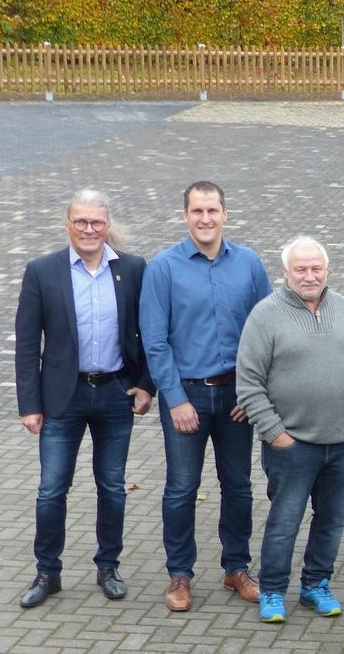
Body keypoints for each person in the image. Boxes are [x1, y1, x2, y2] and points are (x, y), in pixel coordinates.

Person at [14, 190, 155, 608]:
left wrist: (147, 384)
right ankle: (47, 573)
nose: (89, 230)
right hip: (63, 396)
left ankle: (108, 566)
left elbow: (149, 331)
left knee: (112, 487)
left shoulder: (131, 269)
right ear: (68, 225)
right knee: (51, 490)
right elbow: (26, 343)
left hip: (115, 393)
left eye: (96, 223)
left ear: (107, 225)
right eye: (81, 222)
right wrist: (29, 404)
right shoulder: (42, 271)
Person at [141, 181, 272, 612]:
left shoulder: (249, 264)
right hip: (187, 396)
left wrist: (253, 391)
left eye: (212, 210)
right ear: (185, 216)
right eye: (197, 211)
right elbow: (155, 342)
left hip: (236, 395)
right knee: (181, 488)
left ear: (225, 214)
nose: (205, 219)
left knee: (238, 486)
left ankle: (236, 568)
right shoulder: (163, 268)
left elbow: (264, 331)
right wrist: (175, 399)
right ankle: (180, 575)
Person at [236, 237, 344, 623]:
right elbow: (248, 382)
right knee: (284, 522)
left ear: (327, 270)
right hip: (292, 445)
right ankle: (274, 591)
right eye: (301, 269)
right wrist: (275, 433)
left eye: (316, 268)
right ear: (286, 272)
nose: (310, 275)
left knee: (331, 521)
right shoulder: (265, 315)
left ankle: (316, 585)